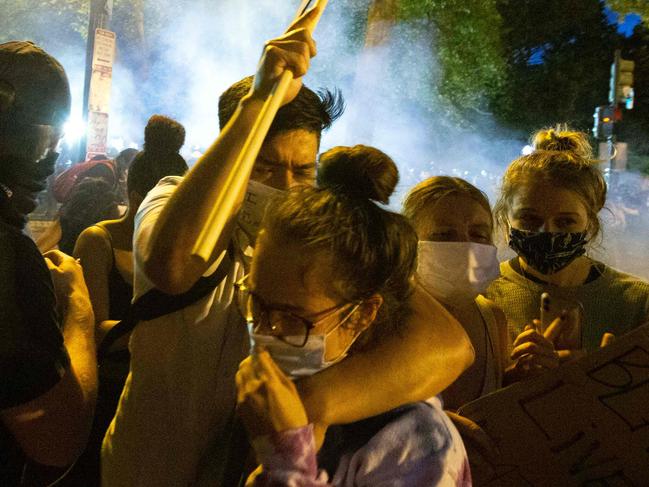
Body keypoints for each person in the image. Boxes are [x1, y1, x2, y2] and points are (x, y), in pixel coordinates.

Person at [102, 8, 473, 486]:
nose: (285, 186)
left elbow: (447, 346)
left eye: (302, 171)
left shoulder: (322, 237)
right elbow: (174, 266)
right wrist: (257, 103)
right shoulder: (173, 198)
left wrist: (310, 412)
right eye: (265, 166)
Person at [236, 145, 471, 485]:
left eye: (294, 317)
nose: (265, 330)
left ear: (362, 314)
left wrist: (288, 464)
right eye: (257, 305)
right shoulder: (269, 400)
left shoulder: (414, 444)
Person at [61, 115, 187, 486]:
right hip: (109, 393)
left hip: (161, 395)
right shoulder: (98, 241)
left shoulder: (182, 251)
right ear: (135, 199)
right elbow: (95, 329)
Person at [0, 40, 97, 484]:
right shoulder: (9, 258)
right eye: (51, 139)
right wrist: (78, 307)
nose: (54, 155)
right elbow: (57, 441)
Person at [488, 127, 649, 373]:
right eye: (529, 219)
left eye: (565, 222)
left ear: (590, 221)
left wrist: (608, 380)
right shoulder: (484, 296)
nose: (547, 232)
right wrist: (510, 382)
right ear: (506, 217)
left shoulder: (639, 303)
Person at [403, 176, 508, 410]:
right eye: (444, 235)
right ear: (409, 242)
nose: (466, 245)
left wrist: (521, 380)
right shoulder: (384, 318)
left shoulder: (493, 320)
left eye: (479, 234)